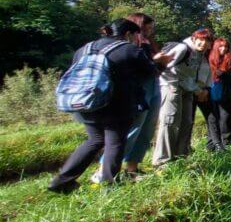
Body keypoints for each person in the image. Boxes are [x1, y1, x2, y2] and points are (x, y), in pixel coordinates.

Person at [48, 19, 160, 193]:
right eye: (136, 35)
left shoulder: (85, 48)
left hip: (85, 102)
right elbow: (150, 72)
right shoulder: (129, 49)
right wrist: (159, 61)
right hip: (115, 106)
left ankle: (61, 181)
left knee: (95, 140)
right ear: (129, 34)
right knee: (115, 143)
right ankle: (108, 185)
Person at [89, 13, 168, 183]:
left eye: (151, 26)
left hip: (154, 85)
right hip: (137, 89)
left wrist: (161, 62)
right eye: (147, 26)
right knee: (132, 129)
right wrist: (154, 60)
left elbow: (153, 69)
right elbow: (129, 67)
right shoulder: (127, 44)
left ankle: (132, 169)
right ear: (137, 25)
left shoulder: (149, 43)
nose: (150, 29)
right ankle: (104, 171)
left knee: (147, 129)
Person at [152, 29, 214, 167]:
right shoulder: (182, 48)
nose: (203, 43)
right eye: (200, 39)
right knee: (170, 120)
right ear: (193, 38)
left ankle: (181, 157)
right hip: (171, 86)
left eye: (207, 41)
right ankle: (162, 161)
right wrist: (196, 90)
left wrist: (200, 89)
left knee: (187, 121)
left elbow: (194, 74)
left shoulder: (201, 55)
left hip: (188, 89)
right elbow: (167, 69)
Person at [207, 38, 231, 148]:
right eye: (221, 46)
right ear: (216, 47)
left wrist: (224, 75)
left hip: (228, 94)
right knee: (212, 119)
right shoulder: (209, 59)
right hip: (211, 93)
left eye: (226, 46)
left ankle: (228, 144)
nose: (224, 49)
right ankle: (212, 144)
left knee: (226, 118)